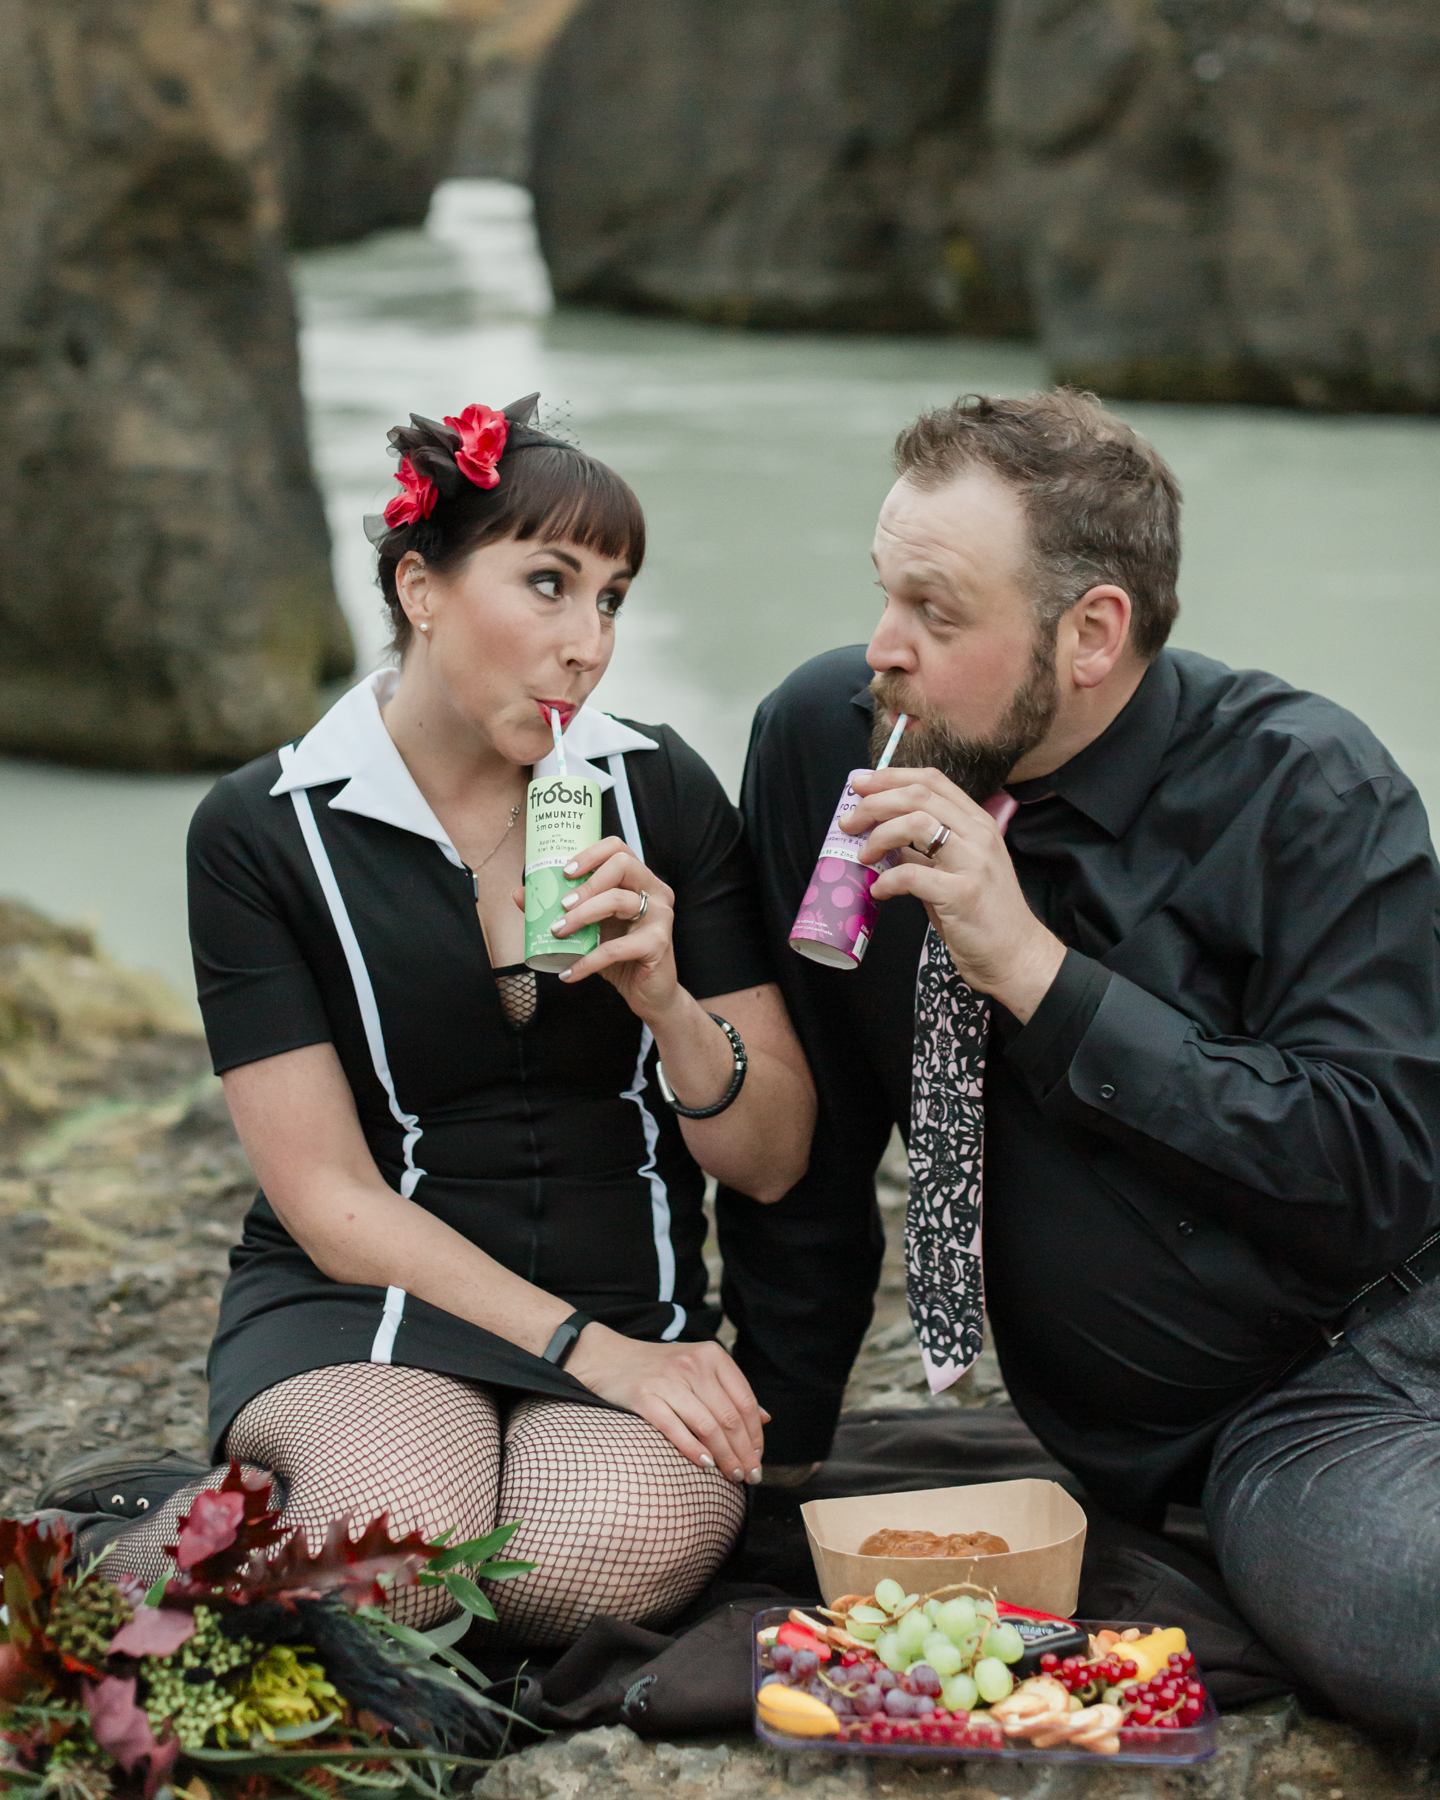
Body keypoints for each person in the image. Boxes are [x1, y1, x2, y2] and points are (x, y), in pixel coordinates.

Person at [717, 390, 1440, 1740]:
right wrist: (781, 1462)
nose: (883, 648)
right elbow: (817, 1145)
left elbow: (1381, 1176)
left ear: (1093, 633)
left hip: (1399, 1319)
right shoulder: (834, 739)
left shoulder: (1312, 788)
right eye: (884, 593)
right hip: (1292, 1422)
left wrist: (1038, 976)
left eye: (936, 614)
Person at [41, 395, 815, 1649]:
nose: (588, 645)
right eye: (549, 584)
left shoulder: (657, 790)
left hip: (630, 1296)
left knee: (592, 1565)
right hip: (366, 1303)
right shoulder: (263, 833)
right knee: (392, 1563)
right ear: (421, 588)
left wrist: (668, 1005)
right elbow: (327, 1199)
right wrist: (588, 1354)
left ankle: (321, 1543)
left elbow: (771, 1158)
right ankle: (139, 1531)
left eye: (613, 599)